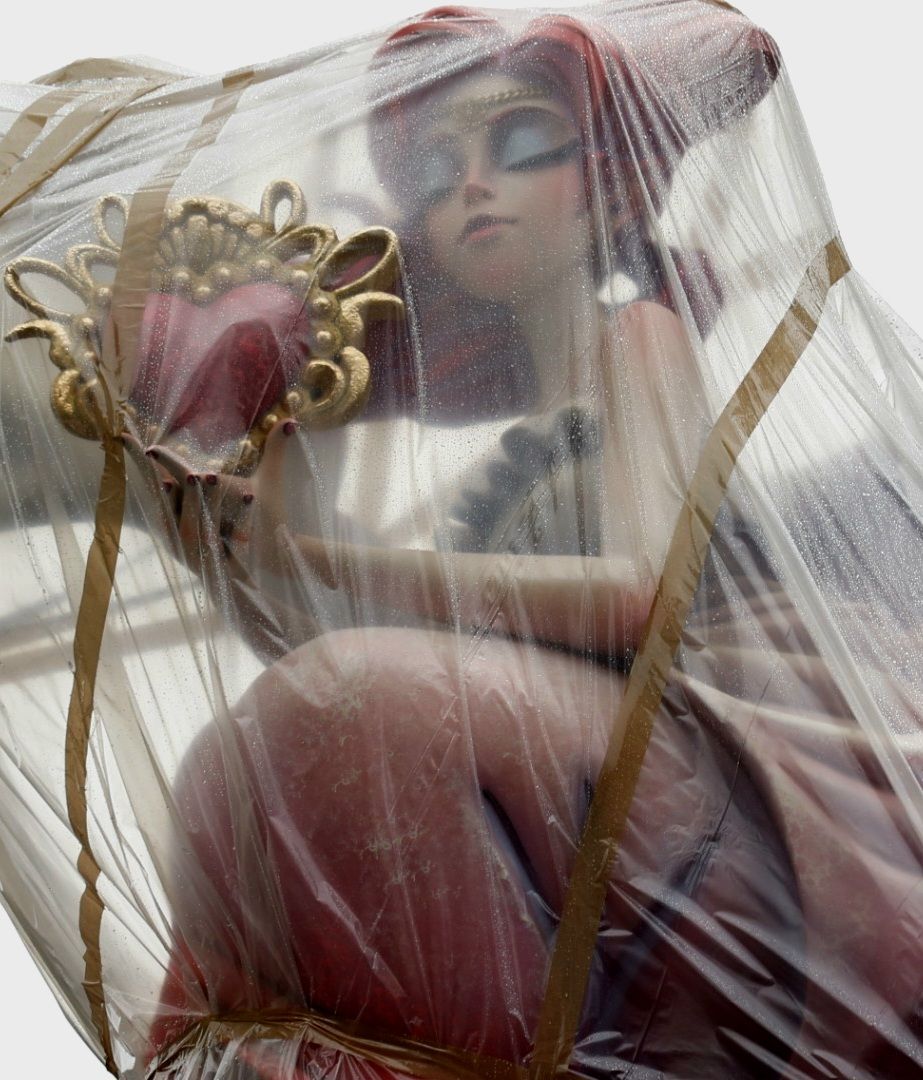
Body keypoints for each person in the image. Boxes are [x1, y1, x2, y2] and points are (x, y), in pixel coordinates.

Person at [135, 8, 923, 1079]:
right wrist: (227, 548)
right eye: (437, 168)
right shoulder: (496, 465)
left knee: (346, 706)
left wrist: (320, 565)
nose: (470, 185)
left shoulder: (637, 340)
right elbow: (320, 625)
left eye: (516, 146)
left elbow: (643, 596)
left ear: (602, 185)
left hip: (695, 714)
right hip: (552, 750)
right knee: (247, 764)